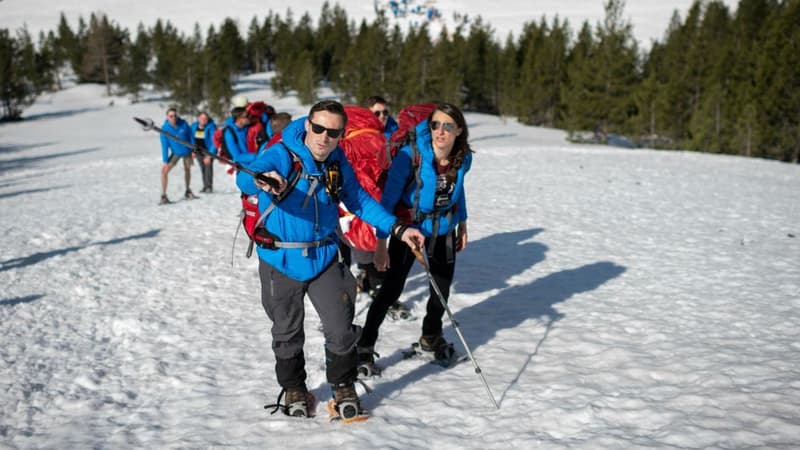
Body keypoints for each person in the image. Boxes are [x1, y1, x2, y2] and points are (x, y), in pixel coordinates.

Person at [237, 100, 424, 420]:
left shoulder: (337, 162)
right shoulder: (283, 154)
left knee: (340, 326)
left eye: (333, 132)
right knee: (286, 330)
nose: (324, 137)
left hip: (323, 256)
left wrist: (397, 228)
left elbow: (361, 201)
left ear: (341, 134)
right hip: (280, 258)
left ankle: (343, 386)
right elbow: (250, 175)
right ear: (308, 126)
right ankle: (294, 387)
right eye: (319, 128)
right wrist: (261, 177)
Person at [357, 102, 472, 374]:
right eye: (435, 125)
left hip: (443, 229)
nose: (440, 132)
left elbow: (459, 189)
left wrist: (463, 223)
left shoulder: (463, 158)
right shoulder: (410, 156)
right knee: (391, 290)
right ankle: (364, 345)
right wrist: (381, 243)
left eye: (448, 126)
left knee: (441, 290)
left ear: (459, 131)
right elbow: (387, 201)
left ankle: (430, 337)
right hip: (409, 231)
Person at [159, 107, 197, 204]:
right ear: (167, 117)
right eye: (171, 116)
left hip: (187, 151)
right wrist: (165, 161)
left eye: (175, 115)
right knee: (164, 172)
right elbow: (165, 146)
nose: (173, 118)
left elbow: (191, 137)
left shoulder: (183, 124)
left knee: (187, 170)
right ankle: (163, 196)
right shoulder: (164, 129)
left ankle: (188, 191)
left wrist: (193, 150)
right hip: (175, 153)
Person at [190, 111, 218, 193]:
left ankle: (209, 186)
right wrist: (193, 151)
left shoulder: (211, 127)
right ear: (198, 118)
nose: (203, 120)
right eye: (202, 118)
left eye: (205, 118)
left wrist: (209, 155)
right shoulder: (194, 126)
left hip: (208, 151)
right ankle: (205, 186)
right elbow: (192, 139)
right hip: (198, 151)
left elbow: (214, 142)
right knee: (203, 168)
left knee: (208, 168)